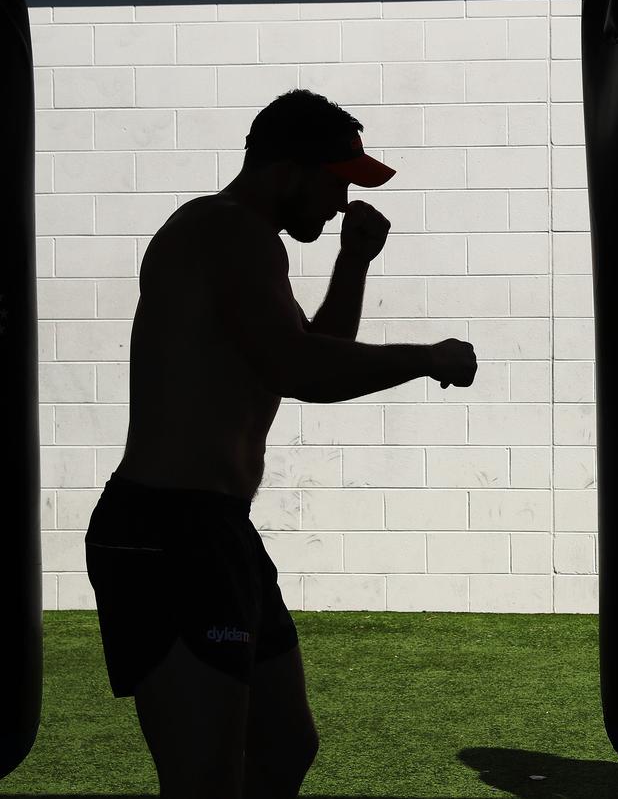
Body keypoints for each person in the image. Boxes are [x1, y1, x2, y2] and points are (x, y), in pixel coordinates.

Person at [84, 88, 477, 798]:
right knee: (205, 780)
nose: (340, 205)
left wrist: (354, 261)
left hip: (217, 530)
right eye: (337, 184)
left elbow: (308, 350)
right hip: (166, 531)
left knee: (284, 746)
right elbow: (300, 372)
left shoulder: (248, 244)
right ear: (291, 169)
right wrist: (428, 357)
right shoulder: (224, 230)